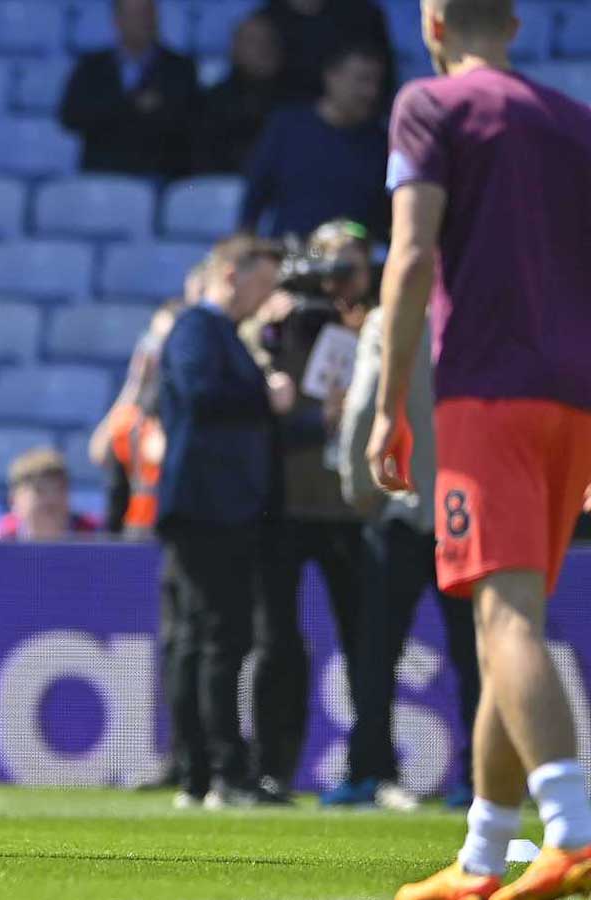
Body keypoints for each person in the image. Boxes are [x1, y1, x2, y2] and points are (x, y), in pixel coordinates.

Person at [373, 0, 591, 896]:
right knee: (507, 615)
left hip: (487, 392)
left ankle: (574, 829)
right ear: (515, 21)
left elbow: (412, 255)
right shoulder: (574, 122)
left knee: (505, 621)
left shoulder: (430, 106)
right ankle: (481, 855)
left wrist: (391, 404)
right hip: (570, 398)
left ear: (433, 22)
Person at [243, 221, 377, 804]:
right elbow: (255, 380)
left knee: (368, 644)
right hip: (285, 505)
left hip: (349, 506)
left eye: (350, 267)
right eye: (330, 266)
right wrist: (264, 325)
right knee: (277, 644)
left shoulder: (376, 323)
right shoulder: (273, 322)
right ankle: (271, 768)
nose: (336, 280)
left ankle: (373, 766)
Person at [156, 235, 292, 810]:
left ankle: (200, 770)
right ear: (232, 274)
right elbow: (202, 393)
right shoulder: (197, 328)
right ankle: (220, 770)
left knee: (204, 639)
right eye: (263, 280)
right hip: (208, 506)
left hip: (218, 505)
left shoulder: (217, 333)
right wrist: (265, 395)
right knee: (217, 638)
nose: (268, 295)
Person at [331, 304, 481, 812]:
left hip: (402, 509)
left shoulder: (394, 317)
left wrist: (358, 487)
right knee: (477, 653)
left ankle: (371, 772)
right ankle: (484, 780)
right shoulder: (484, 312)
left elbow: (366, 402)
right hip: (470, 507)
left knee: (377, 652)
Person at [240, 43, 391, 241]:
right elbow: (256, 192)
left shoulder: (381, 142)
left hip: (351, 263)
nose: (370, 92)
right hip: (288, 257)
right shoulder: (287, 127)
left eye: (376, 82)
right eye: (362, 80)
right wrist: (243, 240)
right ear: (331, 77)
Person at [58, 0, 201, 177]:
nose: (143, 21)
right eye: (134, 14)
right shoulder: (90, 67)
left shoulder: (181, 68)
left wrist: (116, 112)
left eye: (147, 13)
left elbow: (185, 121)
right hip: (101, 174)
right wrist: (133, 105)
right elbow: (70, 117)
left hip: (160, 174)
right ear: (117, 21)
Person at [90, 299, 180, 536]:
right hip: (137, 537)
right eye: (152, 341)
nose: (156, 350)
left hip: (180, 538)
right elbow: (99, 452)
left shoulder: (195, 406)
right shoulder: (133, 415)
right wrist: (134, 381)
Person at [264, 0, 396, 105]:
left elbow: (383, 82)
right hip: (286, 119)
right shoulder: (267, 19)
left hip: (360, 121)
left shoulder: (364, 15)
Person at [199, 12, 285, 173]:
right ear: (234, 49)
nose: (264, 48)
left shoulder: (295, 100)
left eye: (269, 41)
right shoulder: (213, 101)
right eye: (253, 42)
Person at [0, 448, 98, 542]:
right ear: (13, 500)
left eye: (60, 489)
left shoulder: (96, 535)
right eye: (39, 491)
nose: (52, 498)